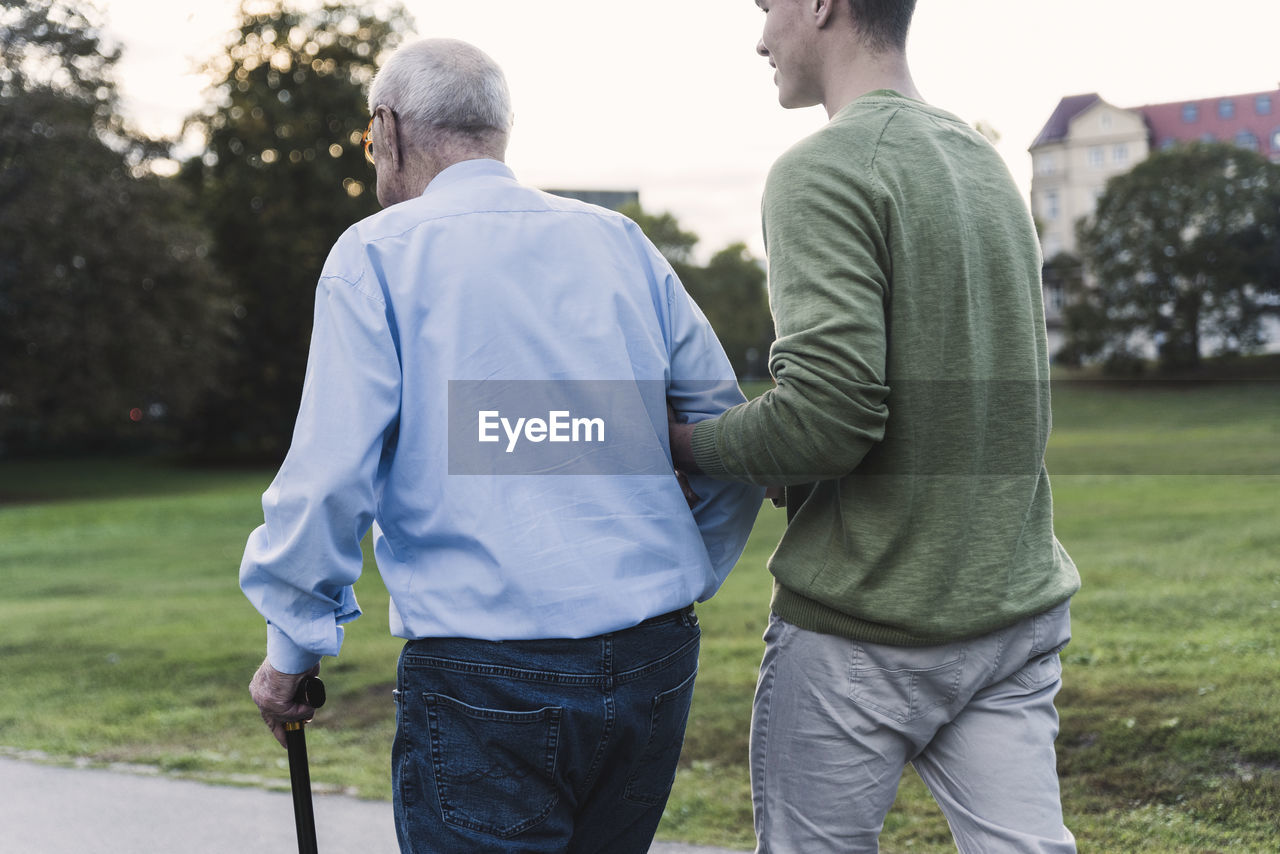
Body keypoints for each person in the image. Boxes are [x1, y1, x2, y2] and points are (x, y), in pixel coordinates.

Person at [242, 38, 763, 854]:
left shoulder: (376, 253)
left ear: (387, 127)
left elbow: (330, 474)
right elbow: (728, 434)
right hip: (654, 658)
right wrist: (681, 569)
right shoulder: (620, 242)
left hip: (487, 674)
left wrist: (291, 649)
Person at [668, 1, 1082, 851]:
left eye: (765, 7)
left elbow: (827, 416)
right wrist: (801, 457)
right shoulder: (985, 163)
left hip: (864, 636)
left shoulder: (822, 169)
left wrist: (685, 445)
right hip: (1008, 616)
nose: (759, 38)